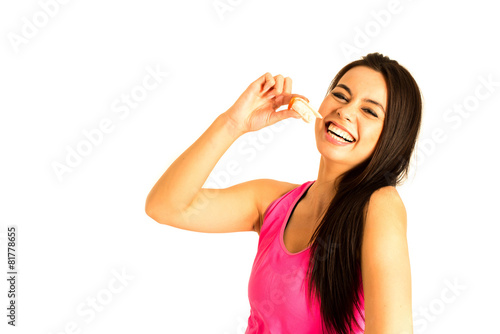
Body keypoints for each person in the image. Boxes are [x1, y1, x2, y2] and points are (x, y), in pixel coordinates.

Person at [145, 52, 422, 333]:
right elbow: (165, 207)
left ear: (392, 136)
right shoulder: (271, 201)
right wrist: (233, 124)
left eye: (370, 111)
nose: (346, 111)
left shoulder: (380, 205)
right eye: (341, 95)